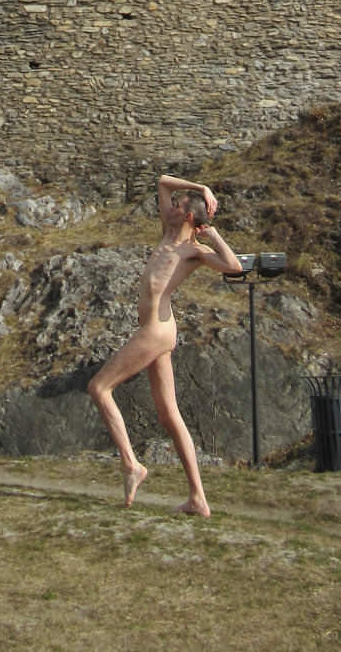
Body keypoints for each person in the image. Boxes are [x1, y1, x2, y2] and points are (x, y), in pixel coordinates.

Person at [87, 172, 241, 515]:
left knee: (99, 388)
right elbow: (162, 182)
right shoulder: (167, 234)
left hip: (157, 331)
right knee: (169, 414)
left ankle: (131, 465)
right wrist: (201, 187)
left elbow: (233, 267)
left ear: (187, 216)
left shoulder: (193, 251)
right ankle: (198, 499)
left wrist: (213, 234)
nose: (171, 206)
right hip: (156, 328)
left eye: (179, 205)